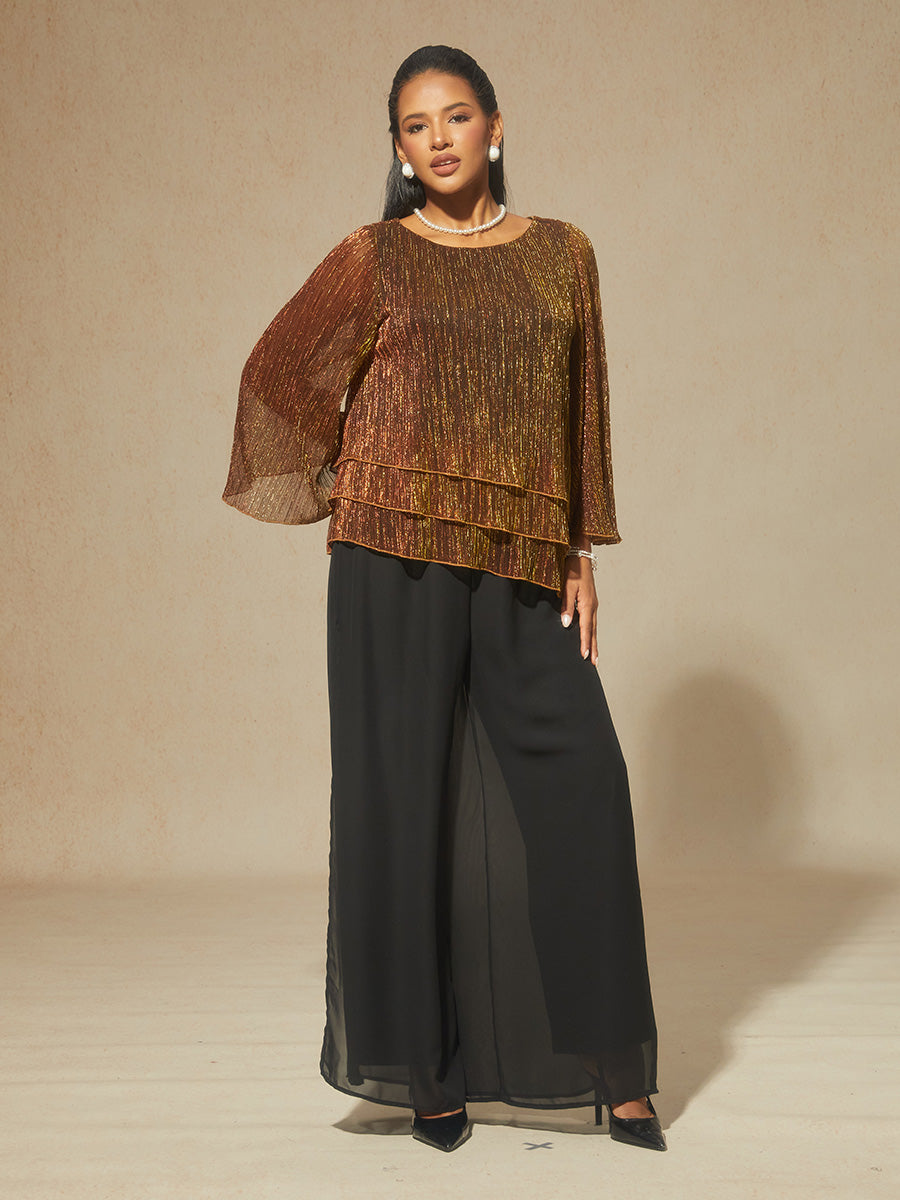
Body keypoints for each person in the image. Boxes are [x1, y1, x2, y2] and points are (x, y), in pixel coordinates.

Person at [222, 44, 667, 1154]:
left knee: (584, 785)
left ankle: (616, 1070)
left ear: (495, 126)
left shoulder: (563, 254)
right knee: (399, 804)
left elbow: (582, 408)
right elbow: (276, 376)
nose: (438, 140)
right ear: (399, 148)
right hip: (391, 566)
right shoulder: (374, 257)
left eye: (456, 117)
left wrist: (579, 548)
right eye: (415, 126)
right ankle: (426, 1074)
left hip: (522, 558)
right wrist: (354, 482)